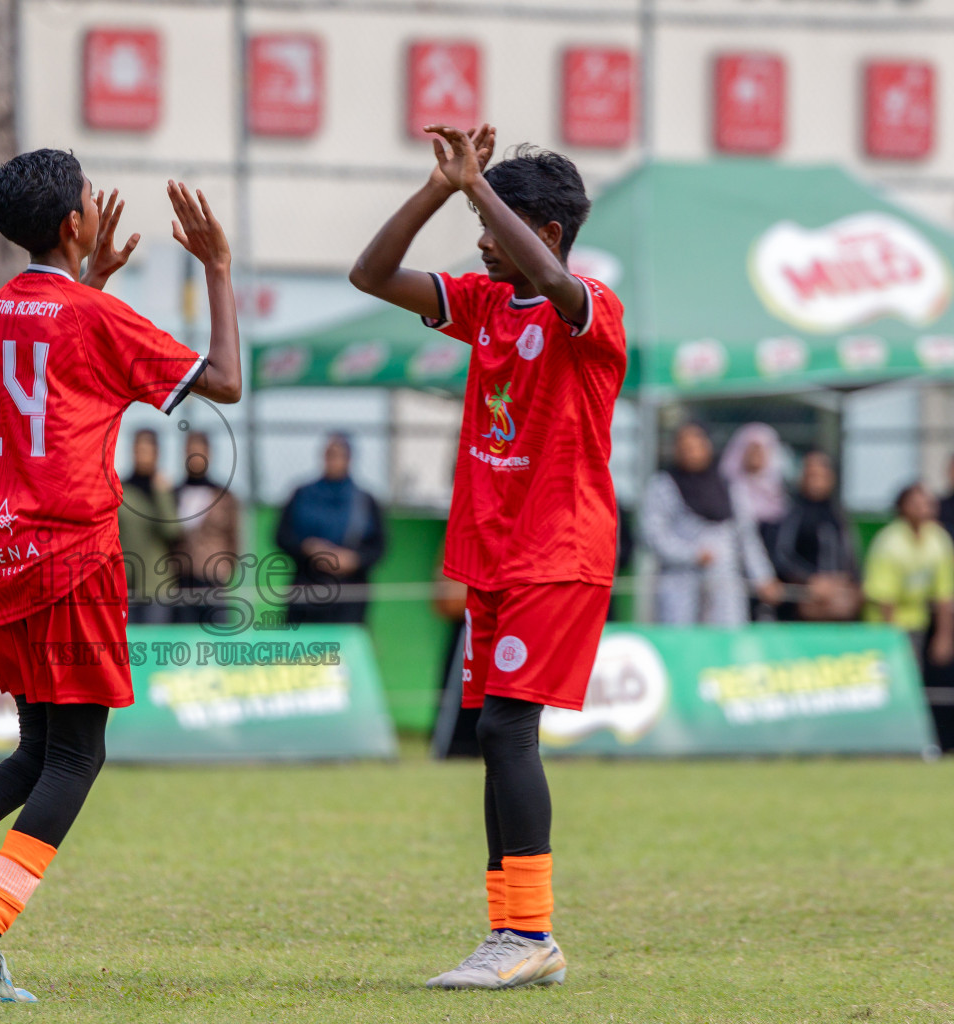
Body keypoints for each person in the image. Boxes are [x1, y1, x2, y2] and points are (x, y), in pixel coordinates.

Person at [0, 152, 241, 1002]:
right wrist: (215, 264)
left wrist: (90, 278)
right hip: (70, 554)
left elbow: (55, 360)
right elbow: (226, 382)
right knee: (79, 757)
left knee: (37, 749)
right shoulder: (94, 318)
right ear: (74, 223)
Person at [349, 123, 622, 989]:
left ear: (543, 233)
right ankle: (512, 932)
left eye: (493, 219)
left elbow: (552, 280)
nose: (478, 237)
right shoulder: (485, 304)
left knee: (508, 726)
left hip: (559, 547)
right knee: (494, 731)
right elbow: (371, 274)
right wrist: (441, 186)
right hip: (496, 553)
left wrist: (478, 189)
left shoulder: (592, 308)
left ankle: (530, 932)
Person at [642, 422, 783, 626]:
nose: (690, 452)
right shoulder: (663, 485)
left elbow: (746, 538)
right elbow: (653, 534)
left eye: (696, 446)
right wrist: (691, 554)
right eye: (684, 447)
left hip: (724, 585)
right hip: (679, 583)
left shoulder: (728, 485)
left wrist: (763, 578)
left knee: (725, 646)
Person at [274, 432, 386, 624]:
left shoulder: (364, 501)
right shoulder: (302, 494)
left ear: (349, 458)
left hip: (348, 595)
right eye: (329, 454)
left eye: (338, 455)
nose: (333, 461)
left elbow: (378, 546)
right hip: (307, 591)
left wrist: (353, 559)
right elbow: (282, 536)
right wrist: (309, 548)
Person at [863, 483, 954, 668]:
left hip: (919, 624)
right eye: (916, 504)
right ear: (903, 507)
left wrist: (944, 636)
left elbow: (944, 594)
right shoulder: (889, 543)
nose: (924, 509)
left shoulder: (938, 539)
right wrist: (895, 641)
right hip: (884, 627)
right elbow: (884, 598)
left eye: (927, 504)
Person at [771, 452, 861, 622]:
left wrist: (848, 582)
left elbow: (849, 555)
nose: (816, 481)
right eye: (811, 475)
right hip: (805, 600)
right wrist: (811, 579)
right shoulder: (794, 514)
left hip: (839, 600)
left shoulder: (837, 514)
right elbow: (782, 555)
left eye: (821, 475)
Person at [173, 430, 240, 626]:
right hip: (182, 580)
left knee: (217, 643)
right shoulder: (173, 493)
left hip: (213, 580)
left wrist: (224, 568)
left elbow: (234, 538)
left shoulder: (224, 496)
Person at [117, 428, 181, 623]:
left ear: (157, 453)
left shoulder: (164, 489)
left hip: (156, 586)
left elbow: (172, 531)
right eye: (139, 450)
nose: (142, 456)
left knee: (156, 645)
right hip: (125, 584)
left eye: (147, 450)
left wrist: (161, 495)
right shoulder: (121, 489)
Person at [720, 422, 789, 555]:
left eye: (762, 449)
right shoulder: (728, 490)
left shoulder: (780, 493)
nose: (756, 454)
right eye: (751, 448)